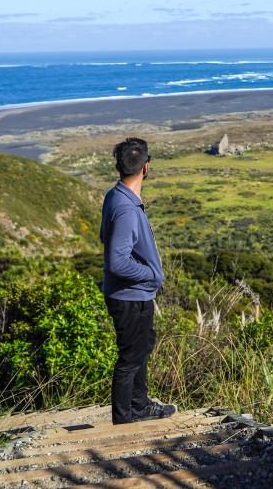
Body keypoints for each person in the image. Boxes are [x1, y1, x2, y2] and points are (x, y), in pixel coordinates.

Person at [100, 136, 176, 423]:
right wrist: (152, 275)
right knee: (131, 357)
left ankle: (139, 406)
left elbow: (105, 240)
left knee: (140, 347)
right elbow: (118, 261)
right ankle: (124, 417)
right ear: (145, 168)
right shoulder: (127, 209)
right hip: (130, 296)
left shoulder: (115, 196)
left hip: (130, 294)